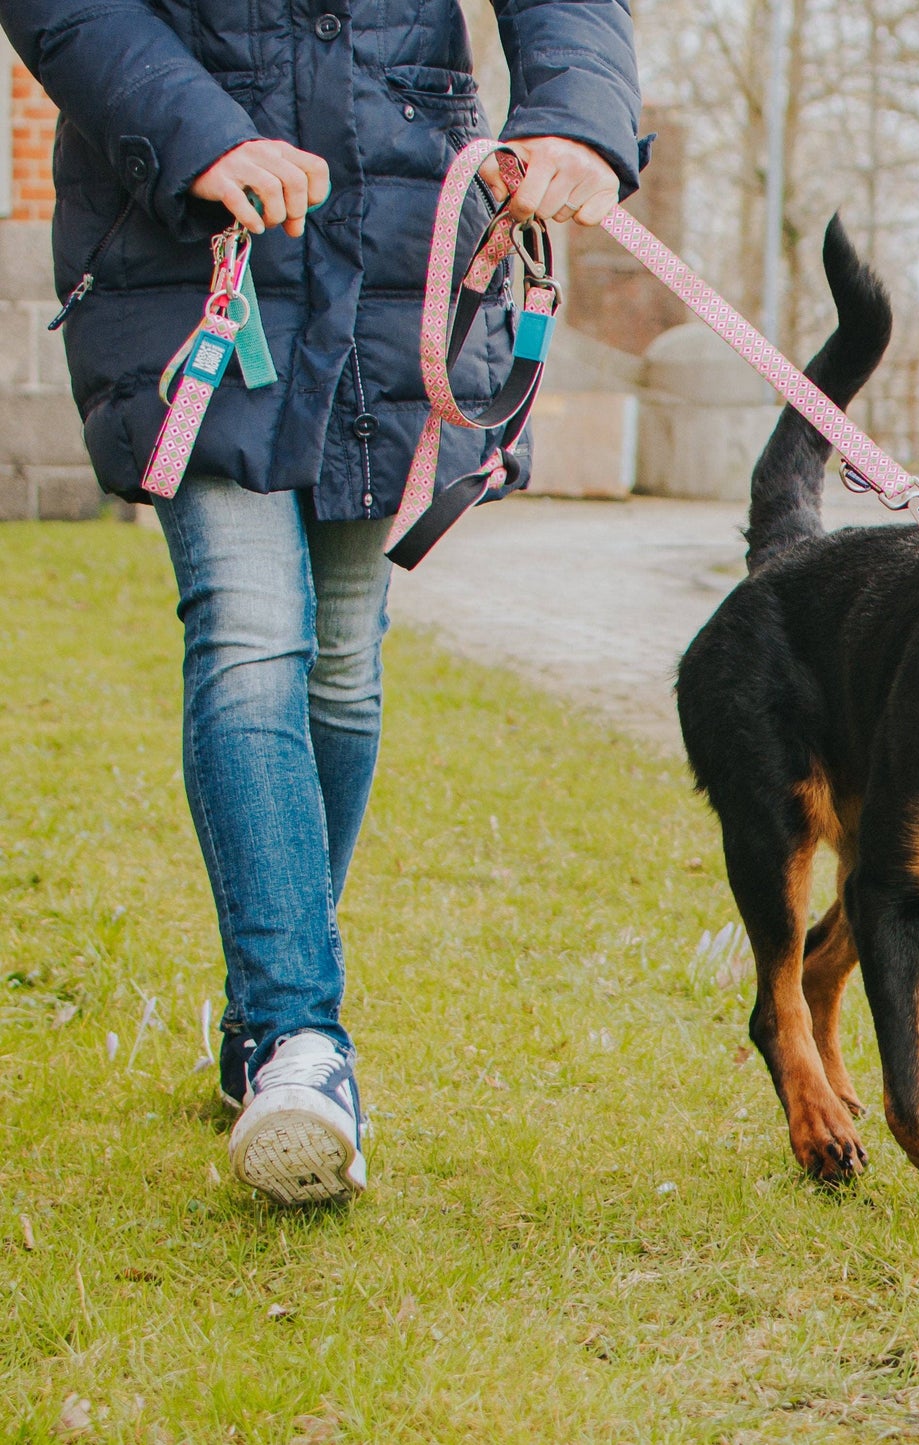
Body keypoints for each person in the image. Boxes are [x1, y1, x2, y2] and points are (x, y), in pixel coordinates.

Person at [0, 0, 648, 1205]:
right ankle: (306, 1043)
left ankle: (264, 1023)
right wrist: (197, 136)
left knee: (344, 661)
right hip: (194, 251)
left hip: (399, 250)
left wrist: (577, 126)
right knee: (252, 633)